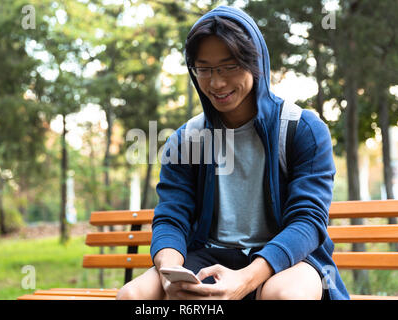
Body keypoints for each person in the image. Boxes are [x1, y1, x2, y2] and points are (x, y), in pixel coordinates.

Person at [117, 5, 349, 300]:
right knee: (132, 297)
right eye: (204, 69)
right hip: (209, 257)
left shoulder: (301, 130)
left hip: (285, 262)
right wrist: (171, 272)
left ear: (256, 64)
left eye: (229, 67)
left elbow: (308, 221)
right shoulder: (186, 139)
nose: (216, 83)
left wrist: (247, 279)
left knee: (285, 295)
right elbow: (171, 216)